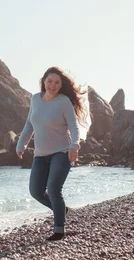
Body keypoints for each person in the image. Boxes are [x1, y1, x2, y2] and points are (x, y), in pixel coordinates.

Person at [16, 66, 87, 241]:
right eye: (49, 81)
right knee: (36, 191)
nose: (52, 85)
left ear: (61, 85)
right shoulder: (35, 99)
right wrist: (21, 144)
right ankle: (62, 210)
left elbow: (73, 125)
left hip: (61, 152)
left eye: (56, 82)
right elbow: (29, 124)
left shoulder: (64, 102)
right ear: (44, 81)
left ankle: (59, 230)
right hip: (40, 155)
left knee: (54, 189)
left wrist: (74, 145)